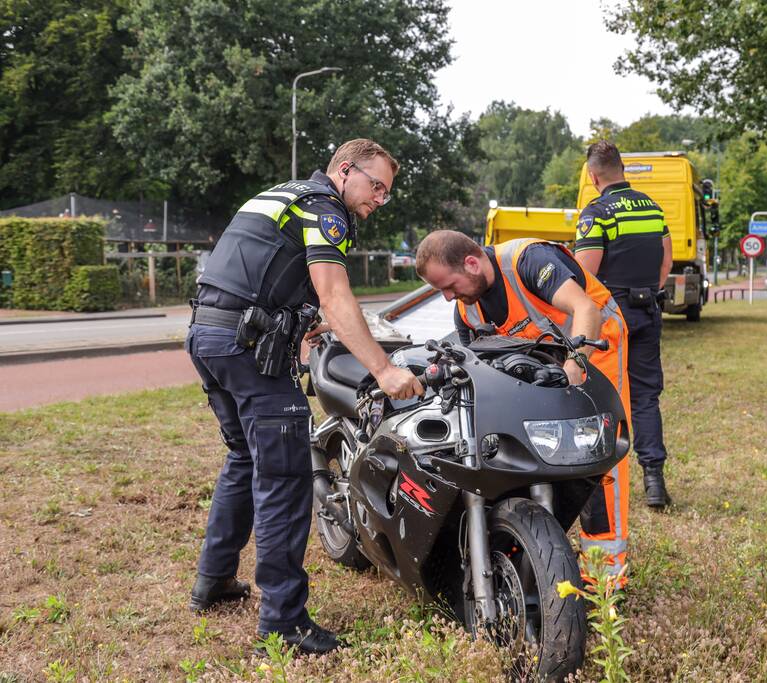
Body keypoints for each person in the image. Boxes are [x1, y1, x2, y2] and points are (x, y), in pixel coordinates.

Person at [185, 138, 423, 655]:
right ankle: (283, 621)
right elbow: (335, 295)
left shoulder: (282, 195)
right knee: (286, 477)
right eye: (375, 185)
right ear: (344, 170)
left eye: (387, 193)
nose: (379, 199)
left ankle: (213, 581)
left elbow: (260, 274)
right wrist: (383, 370)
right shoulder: (326, 210)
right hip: (247, 351)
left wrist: (298, 322)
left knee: (243, 458)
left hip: (208, 335)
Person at [415, 230, 631, 575]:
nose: (446, 297)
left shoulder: (527, 261)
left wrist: (576, 364)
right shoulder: (467, 311)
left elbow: (584, 308)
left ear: (471, 263)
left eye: (450, 286)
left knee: (596, 453)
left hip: (595, 345)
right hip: (543, 363)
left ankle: (605, 573)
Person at [573, 140, 673, 508]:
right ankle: (654, 482)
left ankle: (598, 482)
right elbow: (666, 262)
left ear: (593, 175)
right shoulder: (652, 208)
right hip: (648, 310)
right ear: (622, 169)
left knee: (598, 397)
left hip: (611, 319)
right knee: (646, 396)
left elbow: (584, 274)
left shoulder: (596, 212)